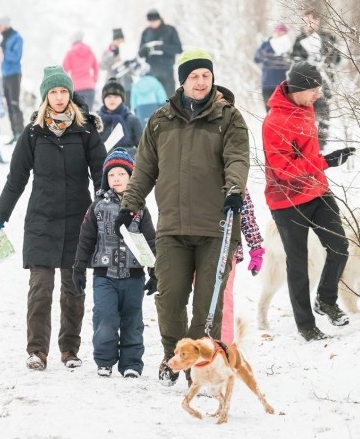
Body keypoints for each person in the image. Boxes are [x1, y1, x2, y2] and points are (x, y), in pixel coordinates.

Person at [116, 49, 250, 386]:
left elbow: (237, 159)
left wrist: (234, 189)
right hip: (172, 228)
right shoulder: (161, 120)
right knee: (169, 297)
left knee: (208, 307)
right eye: (194, 76)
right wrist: (129, 204)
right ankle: (172, 358)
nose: (201, 81)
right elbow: (144, 168)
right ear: (183, 81)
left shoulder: (229, 118)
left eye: (206, 75)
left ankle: (200, 369)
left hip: (216, 227)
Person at [0, 66, 107, 371]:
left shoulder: (85, 132)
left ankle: (70, 350)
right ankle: (37, 351)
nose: (58, 97)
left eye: (63, 92)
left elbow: (102, 176)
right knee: (40, 289)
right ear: (45, 96)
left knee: (73, 289)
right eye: (53, 92)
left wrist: (103, 210)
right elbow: (16, 180)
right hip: (41, 221)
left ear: (70, 95)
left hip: (77, 222)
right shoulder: (32, 133)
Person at [261, 61, 356, 342]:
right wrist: (325, 161)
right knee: (298, 263)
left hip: (317, 190)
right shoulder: (274, 122)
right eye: (314, 89)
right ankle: (306, 325)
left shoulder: (306, 108)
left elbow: (306, 153)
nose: (318, 94)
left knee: (339, 246)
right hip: (287, 200)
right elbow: (283, 169)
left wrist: (321, 164)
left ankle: (326, 299)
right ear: (299, 88)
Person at [72, 148, 157, 378]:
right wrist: (79, 267)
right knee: (105, 318)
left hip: (133, 276)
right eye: (112, 175)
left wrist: (154, 271)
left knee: (132, 320)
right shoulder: (97, 207)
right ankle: (105, 360)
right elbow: (86, 239)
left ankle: (131, 363)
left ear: (131, 176)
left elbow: (151, 241)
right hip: (104, 275)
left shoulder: (140, 209)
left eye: (121, 174)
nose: (116, 179)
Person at [290, 9, 341, 151]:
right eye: (305, 21)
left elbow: (336, 59)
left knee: (323, 116)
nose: (308, 24)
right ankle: (306, 145)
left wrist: (325, 60)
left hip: (324, 85)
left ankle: (321, 146)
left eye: (310, 21)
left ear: (317, 21)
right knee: (305, 117)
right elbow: (293, 61)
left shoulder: (327, 38)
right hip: (304, 86)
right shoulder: (299, 40)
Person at [220, 191, 265, 343]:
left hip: (225, 245)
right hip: (190, 244)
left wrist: (256, 248)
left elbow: (247, 214)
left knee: (223, 299)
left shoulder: (234, 174)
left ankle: (223, 349)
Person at [138, 8, 182, 96]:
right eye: (150, 21)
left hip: (167, 71)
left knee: (168, 101)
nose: (153, 23)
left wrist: (162, 47)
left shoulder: (170, 30)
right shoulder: (146, 33)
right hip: (151, 72)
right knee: (153, 103)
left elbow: (178, 49)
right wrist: (145, 49)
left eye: (155, 20)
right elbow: (140, 53)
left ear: (159, 19)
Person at [0, 15, 25, 145]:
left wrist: (3, 51)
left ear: (6, 25)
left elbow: (16, 56)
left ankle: (21, 134)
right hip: (5, 75)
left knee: (14, 104)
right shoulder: (4, 39)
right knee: (8, 105)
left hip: (14, 74)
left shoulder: (16, 38)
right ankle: (14, 133)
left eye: (0, 25)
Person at [97, 79, 143, 156]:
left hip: (128, 164)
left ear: (122, 99)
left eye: (116, 96)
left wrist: (121, 154)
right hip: (102, 165)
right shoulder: (95, 121)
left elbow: (143, 149)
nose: (112, 99)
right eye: (108, 96)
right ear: (103, 99)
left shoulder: (132, 120)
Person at [254, 22, 291, 110]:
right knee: (270, 111)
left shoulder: (289, 46)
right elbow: (256, 58)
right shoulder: (266, 44)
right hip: (267, 83)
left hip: (283, 84)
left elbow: (292, 61)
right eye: (276, 31)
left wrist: (273, 59)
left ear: (285, 33)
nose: (278, 33)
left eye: (281, 31)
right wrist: (267, 57)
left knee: (283, 111)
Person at [63, 31, 99, 109]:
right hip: (90, 87)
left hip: (77, 88)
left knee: (77, 116)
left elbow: (64, 71)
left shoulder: (70, 53)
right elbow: (96, 67)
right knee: (89, 116)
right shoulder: (89, 51)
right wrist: (93, 81)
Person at [129, 63, 168, 127]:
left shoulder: (137, 84)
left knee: (143, 127)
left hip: (140, 108)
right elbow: (162, 97)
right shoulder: (154, 81)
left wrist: (134, 108)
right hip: (153, 105)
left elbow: (133, 101)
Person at [99, 28, 135, 94]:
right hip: (113, 85)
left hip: (127, 85)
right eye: (117, 40)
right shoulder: (108, 52)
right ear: (113, 41)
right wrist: (113, 55)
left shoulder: (128, 50)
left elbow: (134, 69)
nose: (120, 42)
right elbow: (101, 66)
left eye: (122, 40)